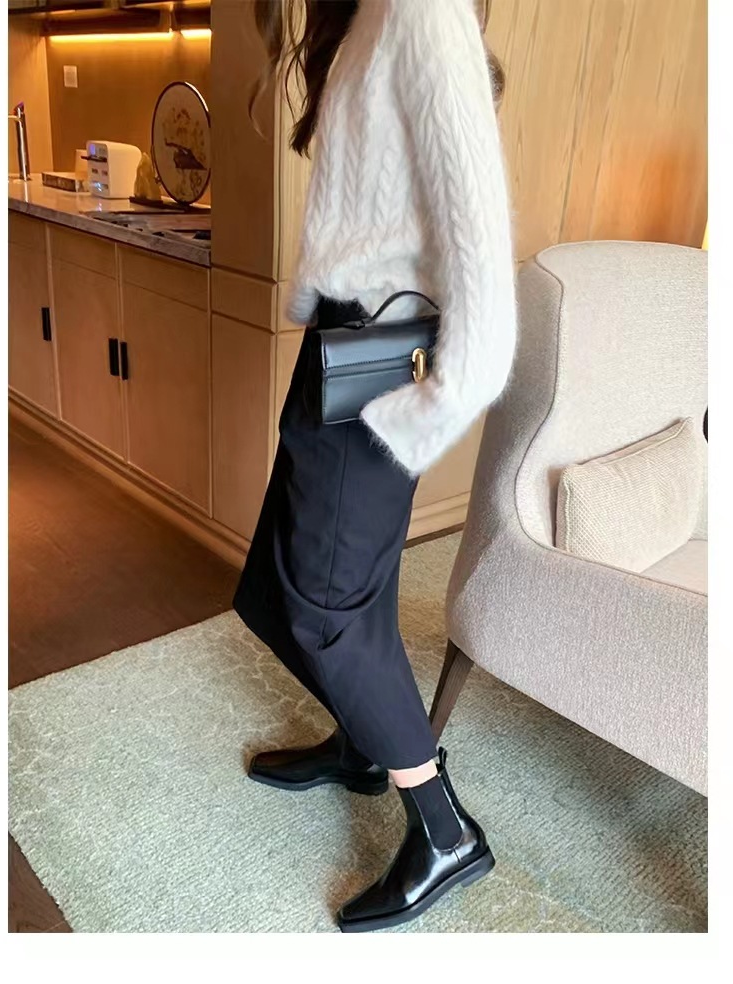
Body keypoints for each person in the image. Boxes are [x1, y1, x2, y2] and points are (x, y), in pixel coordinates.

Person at [234, 0, 517, 932]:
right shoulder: (368, 15)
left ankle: (445, 831)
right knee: (284, 588)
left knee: (324, 609)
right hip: (340, 345)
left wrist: (430, 406)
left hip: (379, 368)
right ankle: (362, 743)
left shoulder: (422, 13)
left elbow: (481, 248)